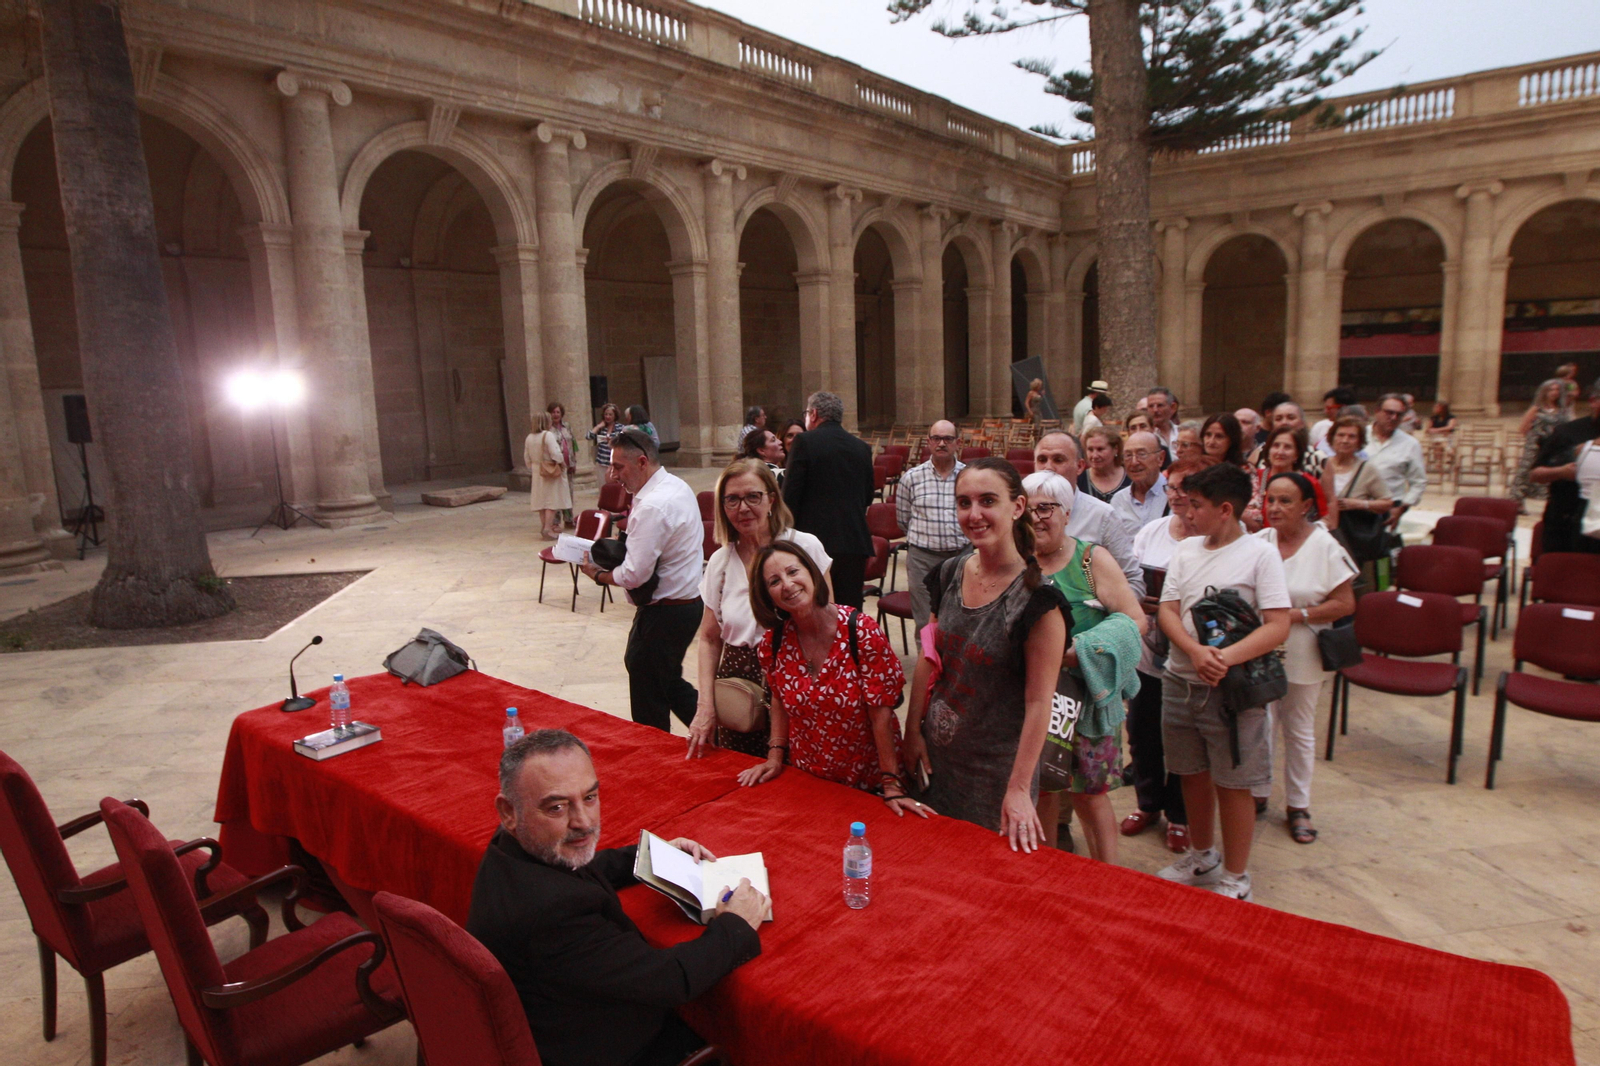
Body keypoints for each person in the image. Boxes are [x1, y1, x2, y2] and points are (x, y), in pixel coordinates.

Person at [467, 730, 767, 1066]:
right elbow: (670, 980)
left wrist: (652, 858)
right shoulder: (553, 914)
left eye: (590, 797)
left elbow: (577, 865)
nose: (582, 821)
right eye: (557, 807)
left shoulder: (515, 846)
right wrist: (736, 923)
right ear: (509, 811)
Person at [903, 459, 1068, 849]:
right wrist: (912, 732)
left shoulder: (1038, 603)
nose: (973, 514)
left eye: (987, 501)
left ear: (1017, 507)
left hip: (996, 773)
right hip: (937, 760)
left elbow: (1039, 703)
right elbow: (930, 658)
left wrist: (1019, 788)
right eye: (964, 503)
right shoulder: (949, 573)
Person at [1156, 463, 1291, 901]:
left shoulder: (1260, 554)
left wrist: (1225, 658)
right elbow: (1167, 610)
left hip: (1232, 690)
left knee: (1235, 781)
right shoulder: (1187, 550)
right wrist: (1195, 653)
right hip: (1180, 681)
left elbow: (1277, 625)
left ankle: (1235, 875)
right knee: (1190, 772)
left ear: (1226, 509)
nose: (1187, 512)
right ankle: (1202, 854)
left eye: (1197, 505)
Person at [738, 543, 925, 816]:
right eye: (774, 581)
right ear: (767, 596)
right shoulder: (773, 643)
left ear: (812, 573)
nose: (788, 585)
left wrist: (891, 784)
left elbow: (880, 715)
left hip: (866, 782)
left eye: (793, 572)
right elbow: (779, 698)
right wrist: (775, 756)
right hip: (809, 780)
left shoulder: (861, 632)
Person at [1024, 470, 1144, 861]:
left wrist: (1085, 648)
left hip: (1088, 701)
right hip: (1034, 699)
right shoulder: (1017, 563)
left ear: (1067, 513)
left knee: (1088, 795)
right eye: (1029, 509)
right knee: (1040, 791)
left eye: (1047, 508)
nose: (1037, 518)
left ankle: (1106, 878)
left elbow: (1134, 619)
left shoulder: (1091, 559)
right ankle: (1045, 876)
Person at [687, 459, 831, 760]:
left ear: (771, 499)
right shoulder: (720, 563)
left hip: (798, 686)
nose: (742, 508)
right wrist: (705, 705)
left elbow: (831, 625)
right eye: (732, 499)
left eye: (753, 496)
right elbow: (710, 638)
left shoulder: (805, 547)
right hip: (739, 693)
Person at [1255, 473, 1357, 846]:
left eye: (1285, 501)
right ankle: (1258, 791)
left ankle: (1298, 805)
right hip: (1262, 650)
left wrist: (1297, 616)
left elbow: (1345, 602)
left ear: (1306, 506)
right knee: (1261, 723)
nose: (1275, 508)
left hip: (1304, 647)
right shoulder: (1260, 541)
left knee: (1297, 730)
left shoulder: (1324, 545)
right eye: (1271, 500)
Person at [581, 430, 704, 732]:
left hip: (665, 611)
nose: (612, 475)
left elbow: (635, 574)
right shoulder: (675, 485)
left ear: (642, 462)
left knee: (647, 689)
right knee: (665, 679)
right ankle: (716, 731)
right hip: (686, 605)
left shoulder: (652, 505)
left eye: (619, 467)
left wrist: (598, 574)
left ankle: (658, 752)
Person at [1122, 458, 1212, 852]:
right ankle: (1148, 804)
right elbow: (1131, 583)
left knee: (1182, 739)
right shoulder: (1151, 532)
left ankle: (1179, 815)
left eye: (1187, 488)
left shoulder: (1212, 540)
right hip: (1147, 653)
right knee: (1142, 734)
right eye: (1172, 487)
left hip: (1190, 657)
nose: (1178, 496)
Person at [783, 391, 875, 609]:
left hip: (813, 542)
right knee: (848, 610)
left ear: (813, 414)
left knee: (815, 608)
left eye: (806, 413)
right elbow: (868, 496)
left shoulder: (804, 441)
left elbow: (790, 497)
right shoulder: (862, 447)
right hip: (853, 542)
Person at [1033, 431, 1145, 598]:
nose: (1048, 467)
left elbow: (1133, 581)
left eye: (1058, 460)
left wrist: (1100, 613)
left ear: (1079, 466)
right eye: (1042, 460)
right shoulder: (1016, 513)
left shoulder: (1102, 516)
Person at [896, 420, 967, 636]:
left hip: (960, 558)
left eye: (948, 439)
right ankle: (927, 668)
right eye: (936, 438)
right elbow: (903, 519)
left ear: (958, 443)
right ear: (928, 442)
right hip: (922, 560)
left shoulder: (969, 476)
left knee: (961, 622)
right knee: (925, 625)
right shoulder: (911, 478)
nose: (942, 443)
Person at [1530, 377, 1600, 555]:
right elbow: (1535, 474)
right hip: (1565, 521)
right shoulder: (1567, 432)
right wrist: (1561, 471)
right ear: (1593, 401)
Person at [1365, 393, 1428, 529]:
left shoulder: (1410, 444)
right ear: (1377, 411)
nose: (1393, 418)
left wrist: (1402, 507)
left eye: (1399, 414)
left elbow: (1418, 482)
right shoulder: (1358, 436)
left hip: (1388, 511)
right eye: (1389, 412)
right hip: (1354, 506)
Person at [1510, 379, 1569, 509]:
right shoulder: (1536, 409)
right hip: (1535, 446)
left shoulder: (1562, 411)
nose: (1554, 393)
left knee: (1552, 473)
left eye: (1557, 390)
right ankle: (1517, 502)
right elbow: (1523, 428)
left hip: (1554, 447)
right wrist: (1536, 435)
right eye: (1551, 390)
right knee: (1526, 472)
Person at [1244, 425, 1310, 532]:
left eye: (1287, 447)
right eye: (1276, 446)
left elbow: (1324, 520)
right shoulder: (1251, 478)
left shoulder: (1308, 482)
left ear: (1297, 454)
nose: (1280, 452)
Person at [1111, 430, 1168, 535]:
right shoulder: (1119, 500)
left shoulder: (1174, 495)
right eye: (1128, 455)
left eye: (1142, 454)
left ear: (1160, 458)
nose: (1134, 462)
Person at [525, 411, 571, 540]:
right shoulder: (548, 435)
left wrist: (535, 466)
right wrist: (562, 462)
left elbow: (526, 458)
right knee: (551, 501)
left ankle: (544, 526)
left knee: (541, 501)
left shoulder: (529, 437)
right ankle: (548, 528)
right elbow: (555, 453)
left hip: (536, 471)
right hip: (549, 471)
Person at [1078, 425, 1130, 502]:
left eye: (1100, 449)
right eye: (1090, 449)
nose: (1094, 455)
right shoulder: (1079, 480)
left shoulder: (1130, 478)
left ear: (1115, 449)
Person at [1272, 402, 1324, 476]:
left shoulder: (1318, 457)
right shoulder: (1260, 453)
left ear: (1302, 423)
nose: (1284, 422)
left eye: (1291, 418)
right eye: (1278, 419)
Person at [548, 402, 577, 530]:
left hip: (568, 464)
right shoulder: (547, 429)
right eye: (553, 412)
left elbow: (573, 445)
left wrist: (574, 461)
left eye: (558, 412)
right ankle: (555, 521)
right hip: (555, 466)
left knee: (568, 493)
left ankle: (569, 519)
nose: (556, 415)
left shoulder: (567, 426)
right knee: (557, 494)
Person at [1309, 386, 1356, 452]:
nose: (1325, 412)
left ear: (1344, 408)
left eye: (1329, 408)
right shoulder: (1320, 426)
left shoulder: (1363, 431)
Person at [587, 403, 622, 484]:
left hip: (614, 462)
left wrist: (612, 442)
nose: (608, 417)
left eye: (610, 414)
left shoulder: (620, 428)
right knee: (603, 486)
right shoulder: (602, 428)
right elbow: (588, 437)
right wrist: (598, 426)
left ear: (615, 415)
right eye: (606, 414)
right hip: (601, 462)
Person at [1145, 387, 1180, 457]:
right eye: (1151, 406)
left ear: (1173, 407)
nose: (1155, 410)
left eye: (1160, 405)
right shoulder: (1145, 437)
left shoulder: (1181, 432)